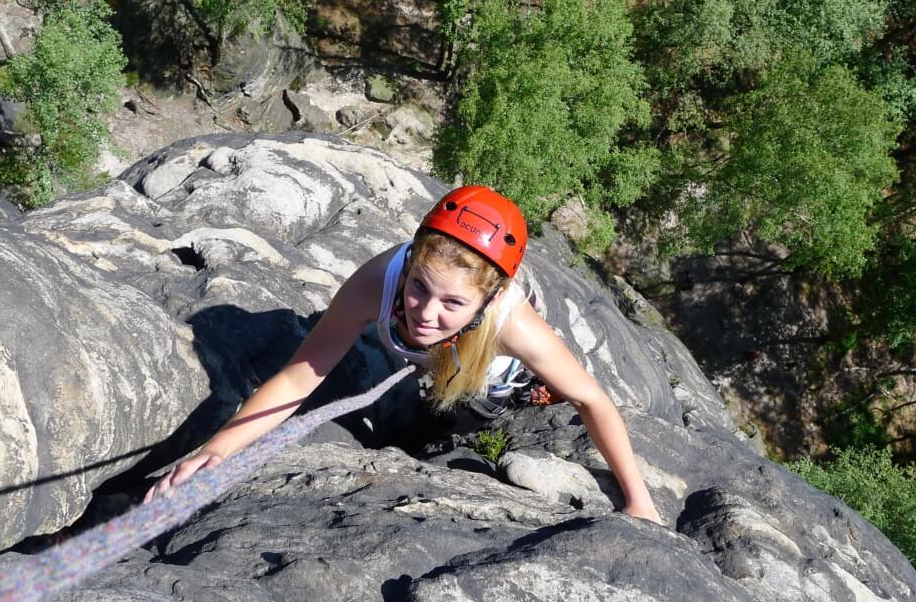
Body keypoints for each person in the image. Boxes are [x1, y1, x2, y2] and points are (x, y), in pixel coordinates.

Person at [146, 185, 662, 525]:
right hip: (431, 361)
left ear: (490, 297)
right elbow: (301, 377)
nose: (426, 313)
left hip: (486, 380)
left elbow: (593, 401)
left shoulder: (514, 326)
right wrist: (215, 453)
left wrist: (639, 499)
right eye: (420, 287)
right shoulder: (381, 279)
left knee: (453, 419)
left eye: (454, 302)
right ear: (412, 261)